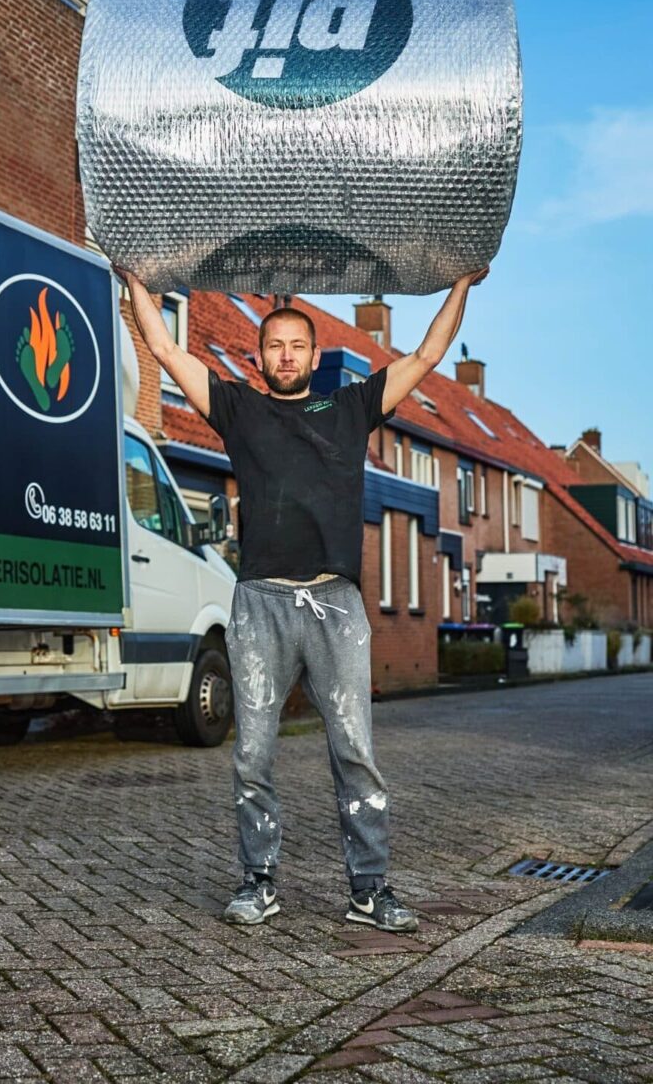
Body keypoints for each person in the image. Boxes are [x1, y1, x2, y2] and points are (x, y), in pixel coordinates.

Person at [120, 269, 488, 931]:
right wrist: (133, 281)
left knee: (356, 754)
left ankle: (369, 892)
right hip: (259, 604)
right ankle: (258, 883)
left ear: (315, 358)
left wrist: (460, 284)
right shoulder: (238, 409)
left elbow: (428, 356)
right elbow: (169, 353)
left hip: (335, 607)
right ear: (260, 357)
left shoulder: (349, 409)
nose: (285, 355)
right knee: (252, 754)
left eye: (297, 345)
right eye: (274, 345)